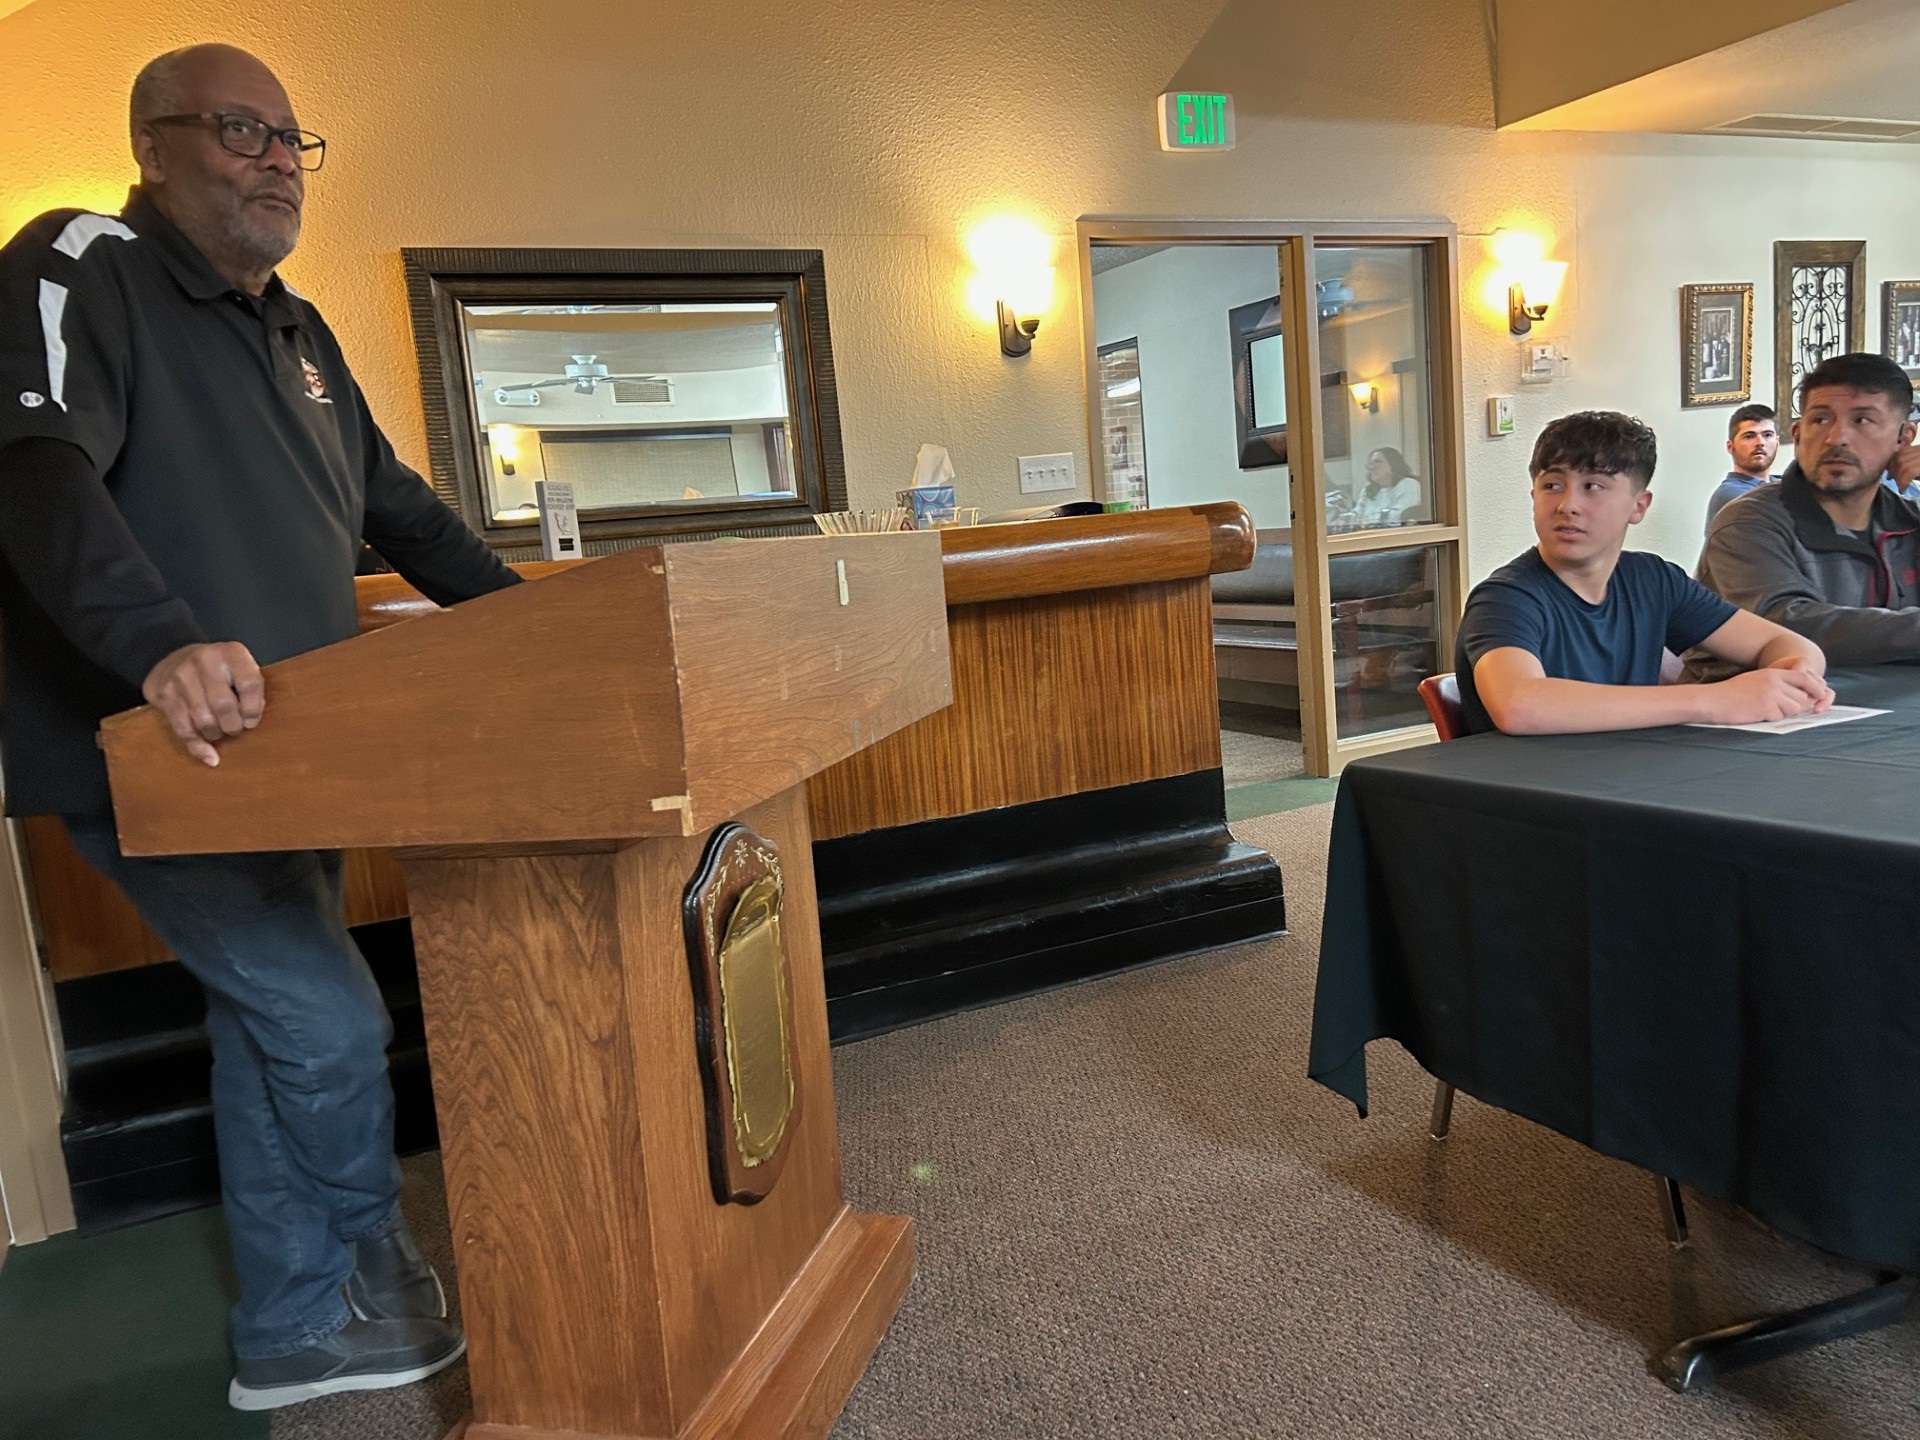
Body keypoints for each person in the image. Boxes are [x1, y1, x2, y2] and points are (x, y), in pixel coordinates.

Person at [0, 45, 518, 1410]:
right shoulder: (78, 261)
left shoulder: (291, 328)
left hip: (292, 753)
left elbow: (396, 509)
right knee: (328, 1020)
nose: (280, 159)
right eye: (243, 132)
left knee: (264, 1023)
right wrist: (161, 642)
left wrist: (537, 623)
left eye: (295, 139)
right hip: (155, 756)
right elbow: (34, 473)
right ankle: (366, 1257)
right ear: (154, 144)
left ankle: (290, 1329)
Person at [1456, 411, 1831, 736]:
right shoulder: (1506, 597)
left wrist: (1793, 679)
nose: (1568, 505)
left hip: (1629, 777)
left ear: (1639, 506)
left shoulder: (1652, 579)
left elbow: (1789, 646)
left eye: (1593, 487)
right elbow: (1520, 705)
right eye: (1552, 486)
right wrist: (1714, 699)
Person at [1692, 352, 1920, 674]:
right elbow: (1790, 627)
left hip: (1889, 708)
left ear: (1903, 438)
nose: (1836, 438)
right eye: (1820, 419)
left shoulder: (1908, 519)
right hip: (1760, 714)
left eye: (1862, 420)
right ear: (1798, 435)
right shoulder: (1747, 523)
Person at [1703, 404, 1779, 532]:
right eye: (1749, 436)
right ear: (1730, 447)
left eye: (1767, 435)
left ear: (1777, 441)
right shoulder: (1732, 494)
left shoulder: (1780, 483)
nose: (1760, 442)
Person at [1352, 446, 1423, 527]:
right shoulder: (1367, 490)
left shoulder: (1409, 484)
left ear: (1393, 464)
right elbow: (1356, 516)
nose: (1371, 467)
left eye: (1377, 462)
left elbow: (1399, 516)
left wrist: (1367, 520)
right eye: (1370, 463)